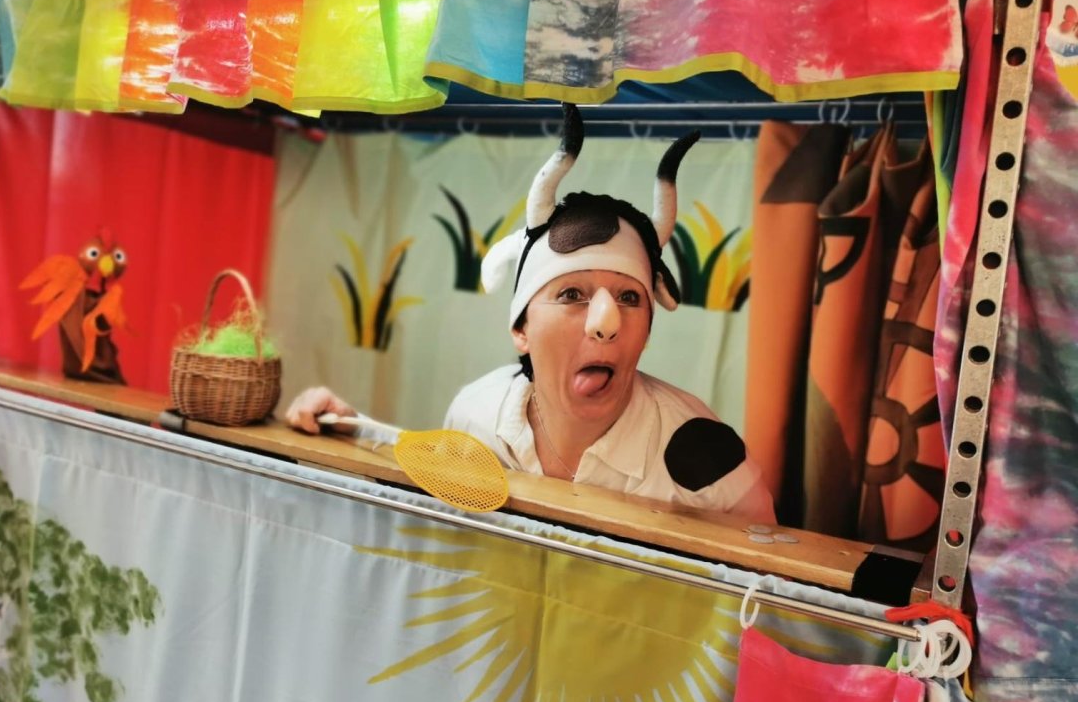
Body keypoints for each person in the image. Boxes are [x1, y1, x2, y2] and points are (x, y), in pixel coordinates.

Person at [286, 104, 775, 523]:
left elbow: (771, 575)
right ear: (521, 328)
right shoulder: (476, 414)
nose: (605, 324)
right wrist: (347, 431)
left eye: (630, 298)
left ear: (647, 331)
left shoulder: (707, 459)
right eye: (571, 294)